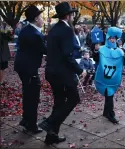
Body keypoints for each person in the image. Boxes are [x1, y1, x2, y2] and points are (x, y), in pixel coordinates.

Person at [38, 2, 87, 145]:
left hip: (52, 72)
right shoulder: (66, 30)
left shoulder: (54, 29)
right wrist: (80, 70)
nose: (72, 16)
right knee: (74, 99)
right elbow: (67, 55)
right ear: (67, 15)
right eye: (71, 14)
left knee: (59, 103)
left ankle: (51, 136)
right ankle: (49, 122)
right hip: (62, 74)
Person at [14, 5, 46, 133]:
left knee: (28, 94)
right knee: (33, 96)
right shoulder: (35, 34)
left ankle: (26, 119)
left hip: (22, 66)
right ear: (36, 19)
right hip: (29, 68)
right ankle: (31, 124)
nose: (42, 19)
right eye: (40, 17)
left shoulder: (26, 30)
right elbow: (45, 50)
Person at [93, 27, 125, 124]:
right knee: (109, 95)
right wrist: (96, 50)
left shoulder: (119, 50)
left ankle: (107, 113)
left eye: (114, 38)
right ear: (108, 38)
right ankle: (110, 115)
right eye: (111, 38)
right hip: (103, 77)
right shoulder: (102, 49)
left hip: (113, 79)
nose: (112, 40)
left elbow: (124, 62)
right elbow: (96, 59)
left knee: (109, 95)